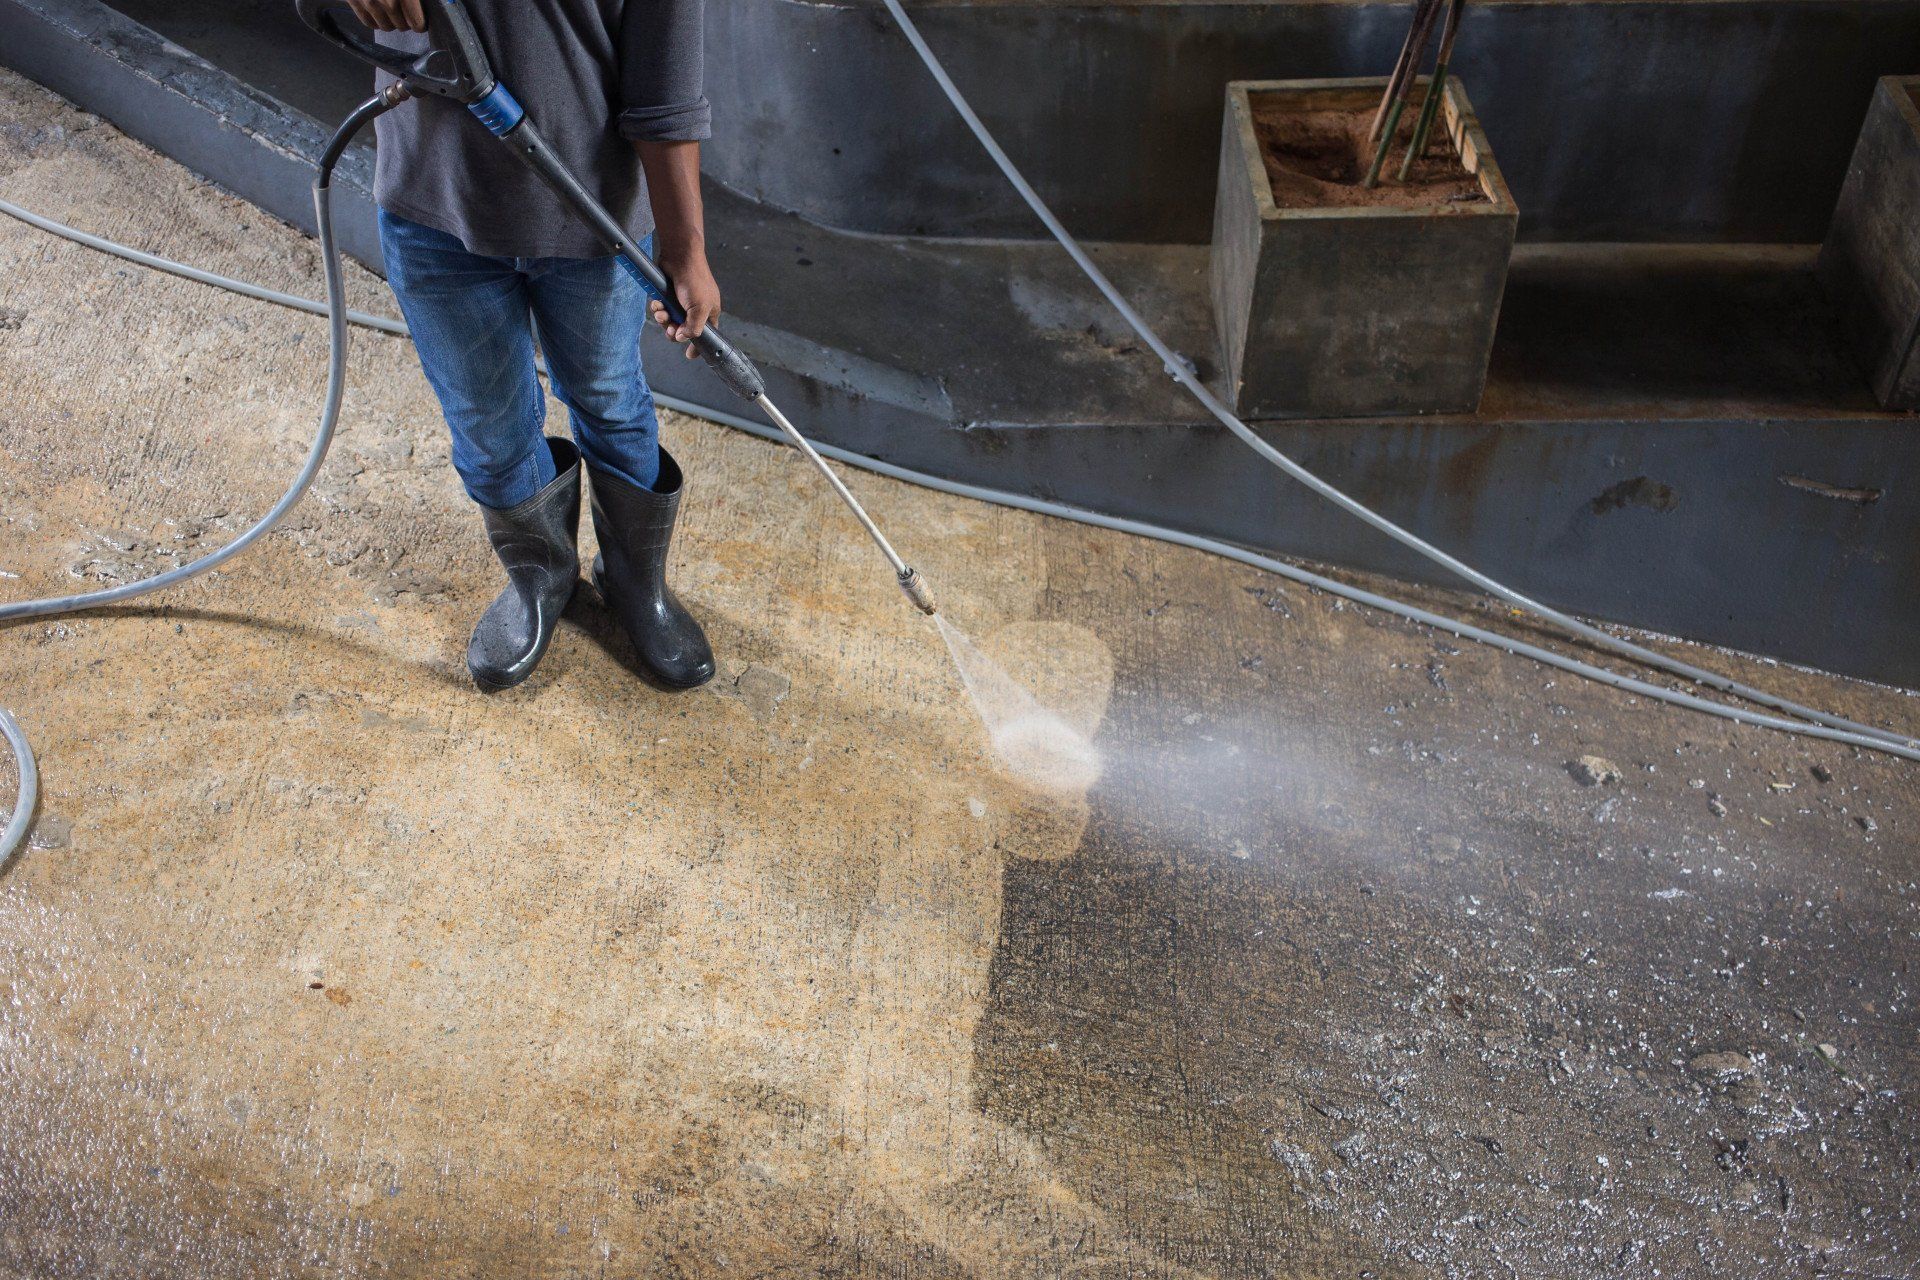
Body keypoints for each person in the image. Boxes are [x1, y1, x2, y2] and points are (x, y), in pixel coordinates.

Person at [344, 0, 721, 693]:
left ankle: (635, 584)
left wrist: (684, 247)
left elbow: (665, 81)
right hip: (436, 205)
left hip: (595, 219)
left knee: (609, 400)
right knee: (487, 425)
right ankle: (541, 579)